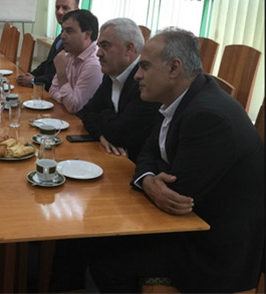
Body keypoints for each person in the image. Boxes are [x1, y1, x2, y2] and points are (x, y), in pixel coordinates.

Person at [89, 28, 264, 293]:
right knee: (97, 244)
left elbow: (175, 196)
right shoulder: (177, 99)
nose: (137, 76)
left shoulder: (209, 117)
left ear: (174, 68)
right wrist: (148, 180)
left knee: (107, 262)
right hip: (192, 225)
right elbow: (147, 154)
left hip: (213, 248)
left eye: (145, 67)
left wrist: (151, 176)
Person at [75, 18, 160, 162]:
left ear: (129, 49)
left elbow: (121, 134)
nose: (98, 54)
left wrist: (103, 115)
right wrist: (101, 135)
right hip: (112, 156)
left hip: (135, 164)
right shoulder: (112, 73)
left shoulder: (145, 81)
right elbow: (87, 112)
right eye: (98, 46)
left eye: (105, 46)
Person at [17, 0, 79, 90]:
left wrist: (35, 80)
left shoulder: (76, 41)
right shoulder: (61, 34)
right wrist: (31, 75)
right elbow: (49, 62)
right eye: (57, 7)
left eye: (65, 8)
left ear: (77, 11)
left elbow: (63, 74)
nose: (59, 12)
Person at [48, 9, 103, 113]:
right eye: (62, 31)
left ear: (87, 35)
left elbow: (75, 107)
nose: (62, 36)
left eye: (69, 31)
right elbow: (52, 90)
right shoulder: (71, 54)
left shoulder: (94, 64)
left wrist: (61, 74)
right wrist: (66, 99)